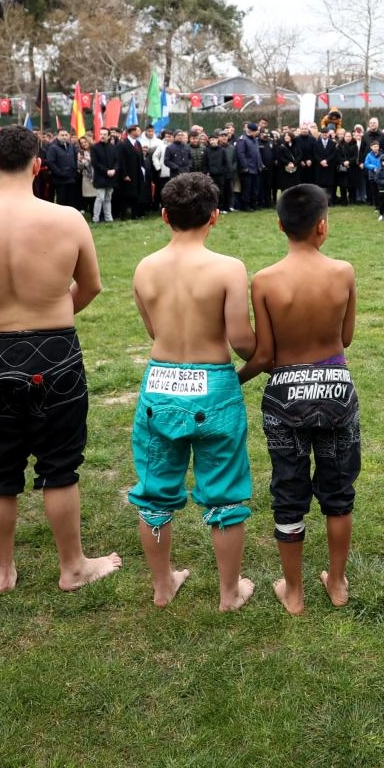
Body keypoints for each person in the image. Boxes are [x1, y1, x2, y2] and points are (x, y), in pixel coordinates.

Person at [0, 126, 120, 594]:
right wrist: (52, 312)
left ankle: (4, 570)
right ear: (38, 165)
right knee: (60, 466)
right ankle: (72, 567)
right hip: (56, 348)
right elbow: (91, 286)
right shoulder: (68, 219)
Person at [128, 172, 257, 610]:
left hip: (160, 383)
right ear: (214, 217)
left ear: (165, 216)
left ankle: (163, 586)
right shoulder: (228, 268)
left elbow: (153, 330)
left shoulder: (145, 268)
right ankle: (229, 593)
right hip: (214, 383)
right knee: (225, 492)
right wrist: (267, 352)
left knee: (154, 491)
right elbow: (241, 341)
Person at [240, 184, 358, 614]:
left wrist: (235, 380)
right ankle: (337, 582)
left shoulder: (264, 281)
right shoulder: (343, 272)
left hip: (284, 394)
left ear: (279, 225)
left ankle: (293, 592)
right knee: (338, 490)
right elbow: (346, 337)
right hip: (336, 389)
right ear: (322, 226)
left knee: (288, 492)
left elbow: (264, 356)